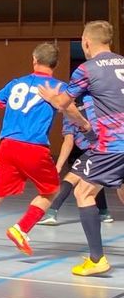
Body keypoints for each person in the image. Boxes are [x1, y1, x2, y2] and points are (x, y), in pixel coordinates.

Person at [0, 42, 88, 267]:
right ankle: (20, 229)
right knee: (52, 191)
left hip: (8, 146)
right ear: (56, 63)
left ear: (34, 60)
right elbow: (70, 111)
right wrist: (85, 126)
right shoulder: (58, 87)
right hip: (33, 148)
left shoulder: (15, 84)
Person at [39, 20, 124, 276]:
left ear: (86, 42)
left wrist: (52, 97)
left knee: (84, 193)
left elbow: (65, 104)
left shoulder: (86, 69)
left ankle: (97, 259)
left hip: (113, 144)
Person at [38, 94, 113, 225]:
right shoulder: (70, 115)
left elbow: (68, 142)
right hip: (101, 149)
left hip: (101, 148)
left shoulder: (90, 103)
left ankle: (51, 213)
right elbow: (68, 141)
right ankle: (104, 212)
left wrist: (59, 166)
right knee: (92, 179)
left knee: (70, 179)